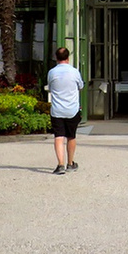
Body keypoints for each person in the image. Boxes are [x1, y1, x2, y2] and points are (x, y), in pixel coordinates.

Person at [46, 46, 84, 175]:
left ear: (56, 58)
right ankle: (70, 163)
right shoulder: (74, 72)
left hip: (57, 110)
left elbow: (50, 87)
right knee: (71, 136)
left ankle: (60, 164)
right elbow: (81, 86)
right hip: (72, 109)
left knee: (58, 136)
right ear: (68, 58)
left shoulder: (52, 72)